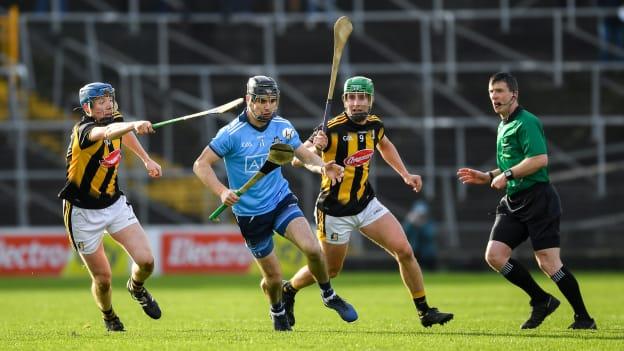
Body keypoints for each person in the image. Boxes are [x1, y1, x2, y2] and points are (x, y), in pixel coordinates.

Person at [284, 76, 453, 328]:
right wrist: (315, 149)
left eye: (362, 97)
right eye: (351, 97)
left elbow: (384, 145)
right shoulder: (329, 128)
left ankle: (424, 311)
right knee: (330, 271)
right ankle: (289, 290)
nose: (356, 103)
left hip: (366, 203)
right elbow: (297, 160)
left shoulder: (375, 125)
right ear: (344, 101)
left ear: (370, 100)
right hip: (334, 211)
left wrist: (405, 173)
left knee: (405, 251)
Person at [193, 75, 357, 332]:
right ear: (249, 100)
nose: (267, 107)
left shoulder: (282, 126)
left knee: (313, 249)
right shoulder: (231, 134)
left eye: (272, 101)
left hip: (280, 200)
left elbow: (302, 155)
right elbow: (200, 164)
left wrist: (323, 167)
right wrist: (222, 191)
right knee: (273, 278)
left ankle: (328, 295)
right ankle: (277, 309)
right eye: (261, 101)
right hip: (249, 214)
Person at [457, 72, 597, 330]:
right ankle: (541, 300)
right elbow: (512, 163)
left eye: (499, 91)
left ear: (514, 94)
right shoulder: (503, 124)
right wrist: (488, 175)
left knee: (549, 263)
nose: (495, 97)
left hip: (538, 199)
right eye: (491, 92)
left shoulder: (526, 121)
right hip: (513, 201)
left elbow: (539, 160)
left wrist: (507, 174)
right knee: (495, 256)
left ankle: (584, 318)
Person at [58, 82, 163, 332]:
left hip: (114, 203)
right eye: (101, 101)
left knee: (147, 261)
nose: (108, 105)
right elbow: (108, 133)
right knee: (103, 280)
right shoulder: (84, 131)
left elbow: (121, 132)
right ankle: (109, 316)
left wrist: (146, 159)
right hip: (82, 212)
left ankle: (136, 287)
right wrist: (134, 124)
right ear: (88, 107)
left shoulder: (115, 120)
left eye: (109, 99)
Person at [402, 200, 437, 270]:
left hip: (427, 254)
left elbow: (430, 235)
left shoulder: (429, 223)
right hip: (414, 252)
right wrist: (410, 224)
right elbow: (404, 233)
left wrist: (421, 226)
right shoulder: (410, 223)